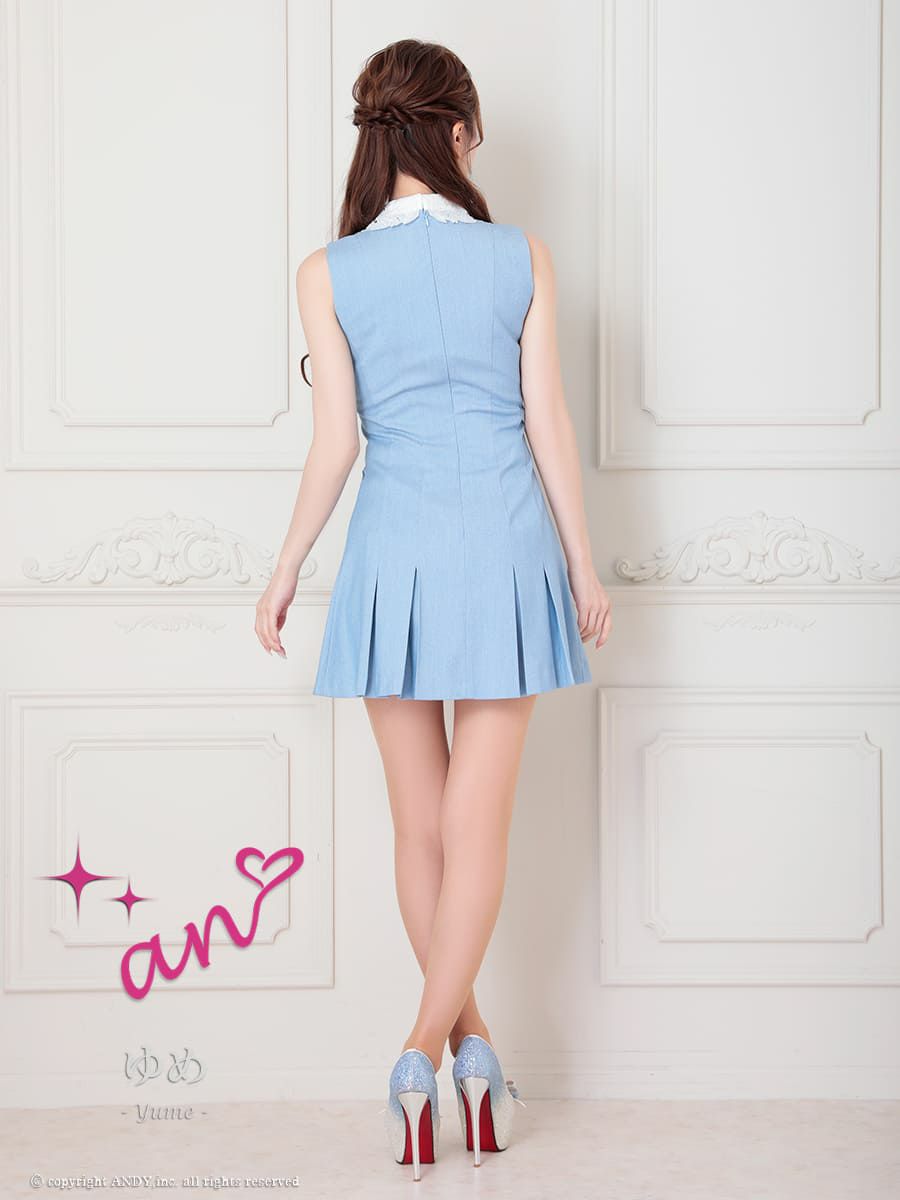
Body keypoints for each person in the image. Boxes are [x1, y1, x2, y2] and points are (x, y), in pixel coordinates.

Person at [255, 38, 611, 1180]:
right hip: (507, 554)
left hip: (389, 562)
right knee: (478, 833)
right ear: (456, 133)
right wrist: (584, 567)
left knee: (420, 829)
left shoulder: (327, 271)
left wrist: (286, 566)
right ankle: (447, 1050)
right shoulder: (522, 256)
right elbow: (548, 425)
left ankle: (443, 1052)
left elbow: (337, 444)